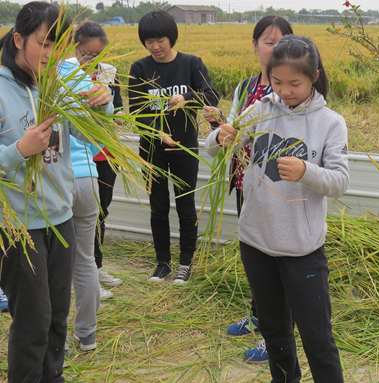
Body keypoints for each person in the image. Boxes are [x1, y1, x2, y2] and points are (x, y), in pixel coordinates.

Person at [206, 34, 349, 383]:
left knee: (317, 337)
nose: (285, 91)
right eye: (277, 82)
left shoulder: (330, 122)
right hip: (256, 241)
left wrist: (306, 172)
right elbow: (215, 147)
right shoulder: (259, 110)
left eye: (294, 83)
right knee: (274, 331)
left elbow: (340, 181)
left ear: (314, 77)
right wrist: (219, 137)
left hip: (302, 249)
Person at [0, 2, 110, 381]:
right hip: (17, 225)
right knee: (33, 321)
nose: (51, 54)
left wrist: (102, 106)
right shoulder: (0, 88)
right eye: (43, 43)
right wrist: (19, 150)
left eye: (58, 46)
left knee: (58, 316)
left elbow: (87, 136)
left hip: (60, 216)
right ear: (18, 39)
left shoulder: (58, 84)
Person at [202, 15, 293, 363]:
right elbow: (240, 128)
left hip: (278, 188)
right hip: (246, 183)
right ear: (254, 45)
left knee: (277, 262)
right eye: (268, 42)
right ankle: (258, 314)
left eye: (282, 41)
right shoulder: (246, 86)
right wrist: (221, 126)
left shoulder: (290, 89)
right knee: (255, 258)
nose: (275, 48)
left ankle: (275, 338)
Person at [129, 10, 219, 285]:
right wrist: (156, 133)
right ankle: (162, 263)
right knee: (158, 206)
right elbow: (135, 110)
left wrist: (187, 96)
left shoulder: (191, 64)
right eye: (149, 42)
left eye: (160, 40)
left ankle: (185, 262)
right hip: (152, 148)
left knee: (185, 205)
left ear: (172, 37)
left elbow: (211, 95)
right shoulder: (140, 69)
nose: (155, 47)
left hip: (185, 147)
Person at [72, 21, 125, 292]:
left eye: (98, 55)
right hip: (80, 154)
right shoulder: (65, 74)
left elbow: (118, 107)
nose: (92, 60)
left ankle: (97, 265)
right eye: (86, 54)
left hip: (107, 152)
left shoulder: (109, 73)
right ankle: (87, 271)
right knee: (84, 215)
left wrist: (116, 118)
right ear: (74, 48)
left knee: (101, 210)